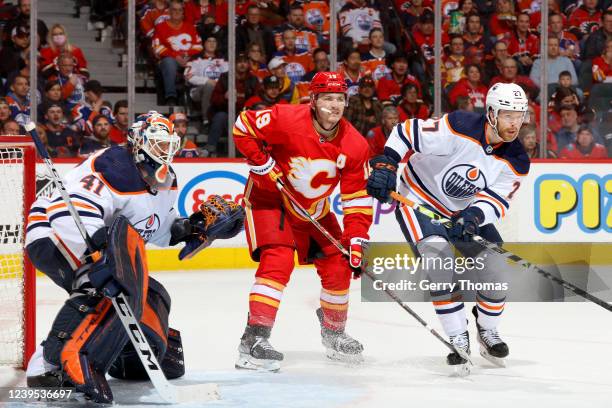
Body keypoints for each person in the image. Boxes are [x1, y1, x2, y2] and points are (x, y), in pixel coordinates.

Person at [24, 112, 244, 403]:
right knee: (103, 288)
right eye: (157, 143)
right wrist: (99, 258)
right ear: (138, 141)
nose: (165, 151)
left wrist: (194, 228)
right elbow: (68, 213)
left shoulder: (166, 178)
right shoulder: (114, 165)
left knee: (152, 296)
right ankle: (48, 366)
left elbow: (157, 231)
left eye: (168, 145)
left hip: (94, 238)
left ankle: (125, 356)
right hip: (52, 233)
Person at [367, 82, 531, 370]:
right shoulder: (460, 125)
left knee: (496, 265)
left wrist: (473, 217)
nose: (515, 123)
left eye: (519, 116)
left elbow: (496, 200)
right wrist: (388, 163)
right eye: (508, 115)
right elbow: (406, 132)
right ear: (491, 113)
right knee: (439, 260)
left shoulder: (517, 158)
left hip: (462, 211)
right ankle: (458, 337)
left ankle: (487, 330)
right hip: (419, 198)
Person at [232, 72, 372, 371]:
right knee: (278, 261)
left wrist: (357, 238)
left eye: (341, 99)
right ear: (313, 100)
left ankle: (334, 333)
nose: (336, 105)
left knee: (339, 262)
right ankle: (254, 339)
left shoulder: (355, 145)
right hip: (270, 202)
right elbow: (242, 126)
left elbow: (357, 198)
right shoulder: (285, 118)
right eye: (328, 98)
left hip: (314, 211)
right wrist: (261, 161)